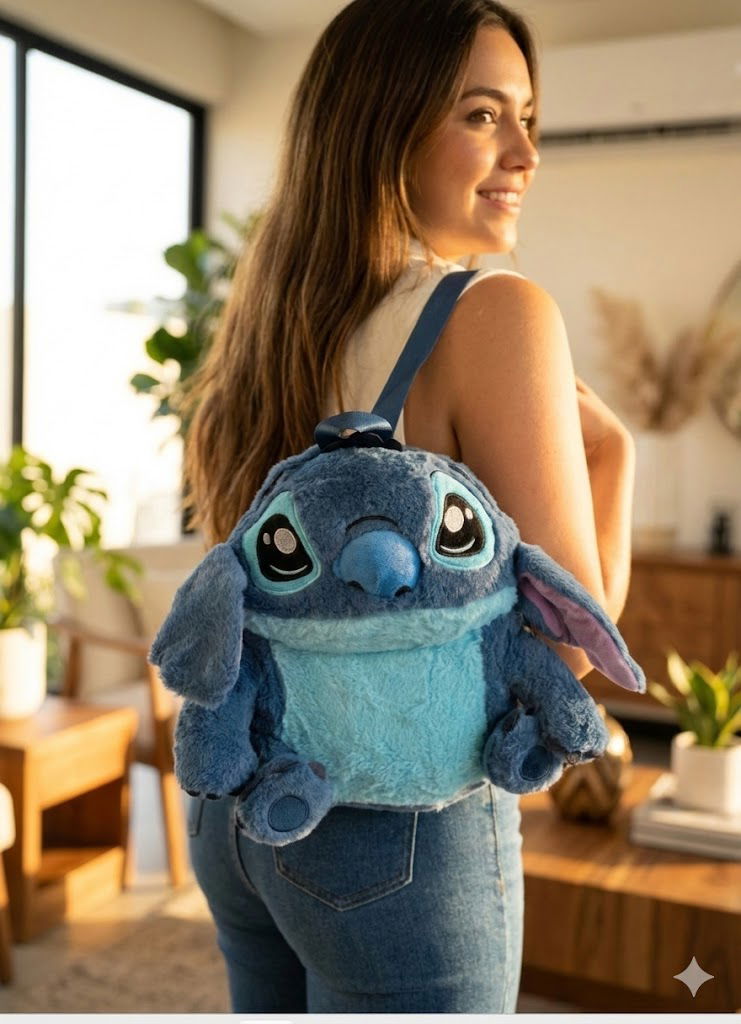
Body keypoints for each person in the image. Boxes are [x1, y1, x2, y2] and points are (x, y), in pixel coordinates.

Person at [180, 0, 636, 1013]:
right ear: (384, 124)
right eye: (482, 114)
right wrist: (616, 461)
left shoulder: (273, 329)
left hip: (242, 808)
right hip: (397, 834)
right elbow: (568, 648)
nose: (524, 153)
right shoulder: (495, 312)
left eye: (527, 118)